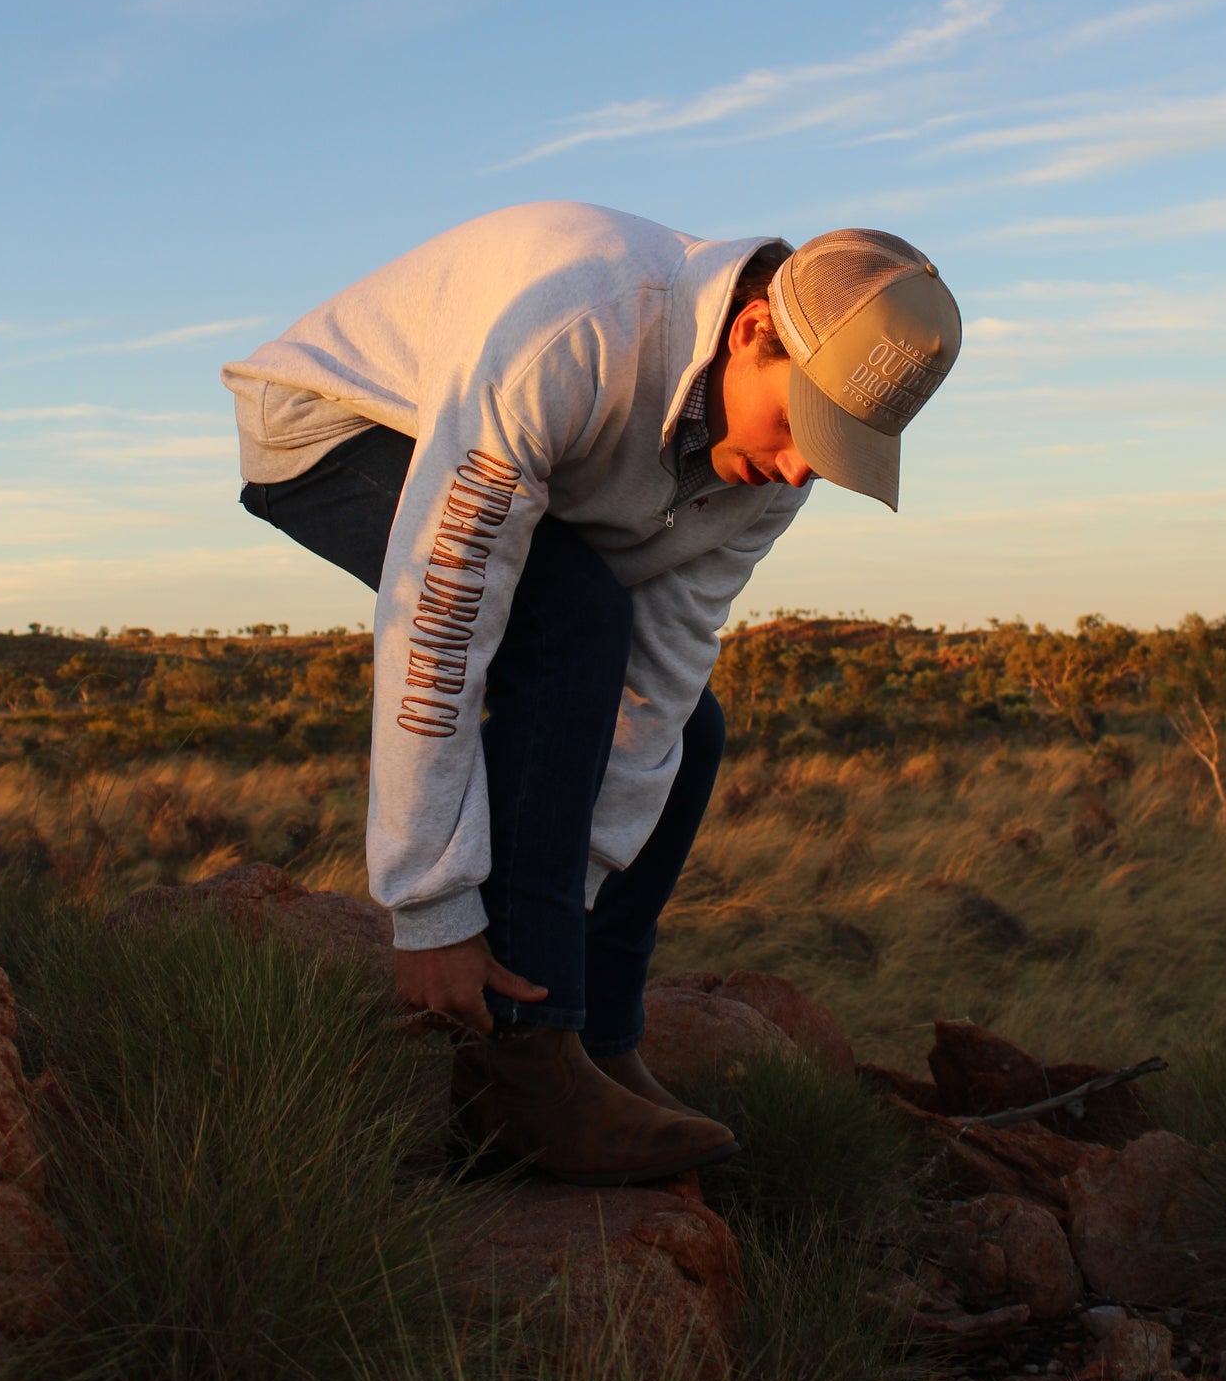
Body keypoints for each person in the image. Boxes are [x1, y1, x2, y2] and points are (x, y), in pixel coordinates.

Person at [222, 202, 961, 1184]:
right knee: (571, 619)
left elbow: (664, 666)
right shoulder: (576, 327)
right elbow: (440, 618)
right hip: (342, 421)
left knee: (689, 731)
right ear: (751, 332)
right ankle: (519, 1063)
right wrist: (433, 911)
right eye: (796, 422)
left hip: (522, 466)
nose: (796, 467)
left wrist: (560, 898)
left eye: (834, 445)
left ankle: (597, 1040)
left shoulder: (778, 471)